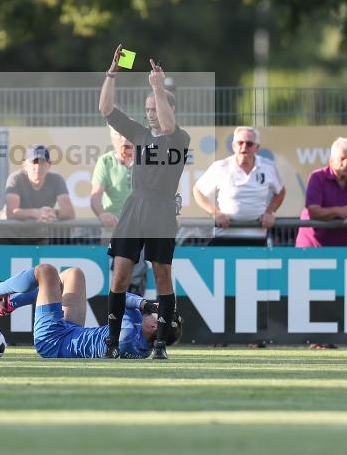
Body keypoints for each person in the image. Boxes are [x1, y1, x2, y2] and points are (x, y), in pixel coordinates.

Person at [98, 45, 191, 360]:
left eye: (156, 107)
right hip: (134, 207)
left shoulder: (179, 138)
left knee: (162, 275)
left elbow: (168, 127)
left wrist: (158, 88)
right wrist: (112, 73)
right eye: (148, 108)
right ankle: (111, 342)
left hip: (161, 209)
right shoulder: (138, 133)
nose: (150, 112)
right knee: (120, 275)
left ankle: (160, 345)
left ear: (169, 107)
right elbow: (106, 109)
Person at [0, 264, 182, 359]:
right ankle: (9, 303)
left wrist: (143, 304)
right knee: (73, 274)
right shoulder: (143, 343)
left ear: (153, 326)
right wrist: (143, 304)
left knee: (46, 272)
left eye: (157, 316)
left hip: (53, 342)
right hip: (72, 331)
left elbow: (118, 299)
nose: (153, 313)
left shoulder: (127, 334)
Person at [193, 126, 285, 247]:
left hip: (257, 238)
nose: (244, 147)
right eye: (240, 143)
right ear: (233, 146)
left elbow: (280, 192)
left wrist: (270, 212)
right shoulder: (221, 167)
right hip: (225, 237)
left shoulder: (268, 167)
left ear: (257, 147)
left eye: (249, 144)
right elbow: (198, 191)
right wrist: (216, 213)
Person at [91, 127, 147, 295]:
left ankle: (135, 305)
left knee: (136, 281)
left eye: (128, 135)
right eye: (119, 135)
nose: (124, 140)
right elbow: (95, 197)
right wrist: (102, 214)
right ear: (113, 139)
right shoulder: (105, 161)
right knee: (117, 280)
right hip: (114, 232)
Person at [295, 137, 347, 248]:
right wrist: (339, 211)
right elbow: (314, 212)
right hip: (310, 247)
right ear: (331, 161)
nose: (346, 163)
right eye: (342, 159)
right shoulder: (317, 177)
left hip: (343, 247)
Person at [0, 145, 74, 245]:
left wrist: (53, 212)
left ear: (49, 165)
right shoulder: (15, 178)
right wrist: (36, 213)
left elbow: (69, 213)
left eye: (42, 163)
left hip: (36, 237)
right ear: (24, 165)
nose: (38, 167)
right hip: (7, 236)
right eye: (33, 163)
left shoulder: (56, 179)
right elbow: (11, 212)